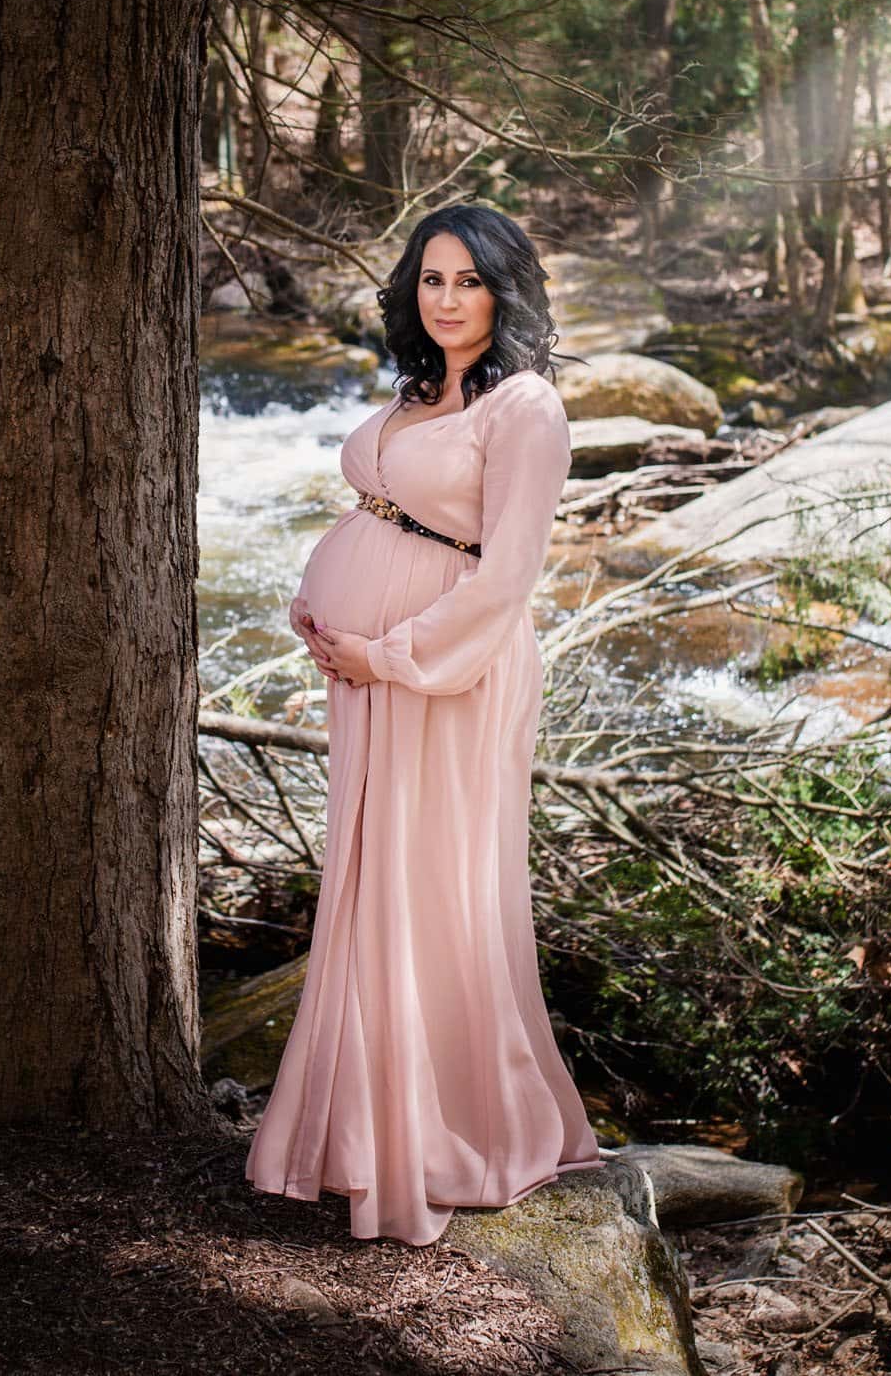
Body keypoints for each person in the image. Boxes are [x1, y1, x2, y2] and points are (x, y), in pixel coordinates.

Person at [243, 204, 604, 1245]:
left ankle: (457, 1135)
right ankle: (362, 1129)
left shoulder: (526, 407)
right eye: (433, 278)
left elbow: (506, 577)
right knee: (371, 883)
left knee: (434, 890)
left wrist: (390, 652)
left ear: (505, 290)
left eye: (470, 281)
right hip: (369, 676)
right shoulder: (420, 390)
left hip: (447, 674)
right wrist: (324, 604)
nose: (448, 299)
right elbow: (386, 515)